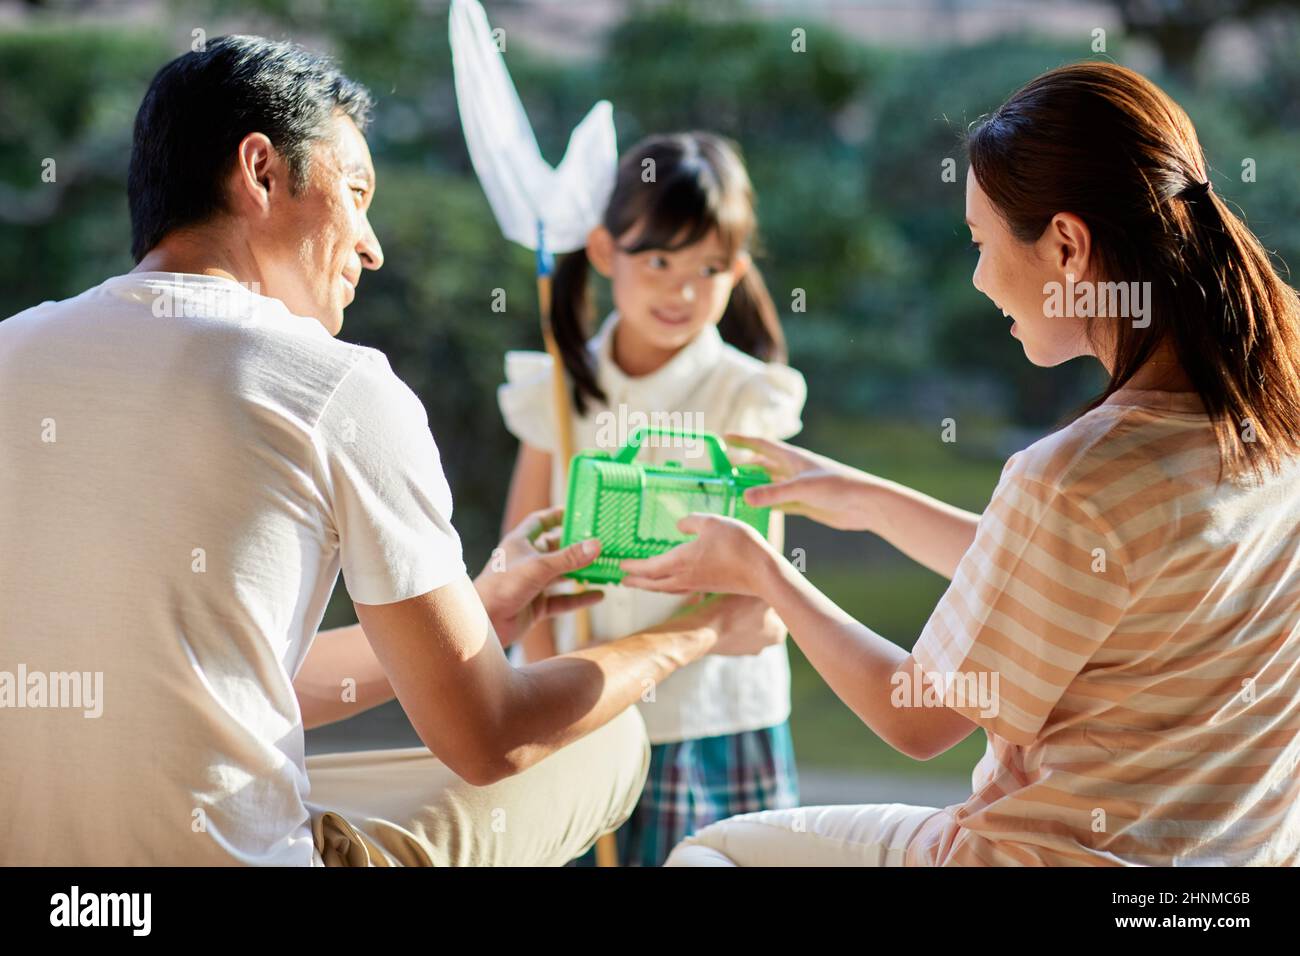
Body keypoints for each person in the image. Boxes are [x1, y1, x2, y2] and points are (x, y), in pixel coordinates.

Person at [0, 35, 785, 867]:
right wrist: (697, 632)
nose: (372, 246)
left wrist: (478, 611)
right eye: (356, 192)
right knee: (605, 737)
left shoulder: (13, 350)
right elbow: (491, 737)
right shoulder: (336, 387)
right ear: (260, 171)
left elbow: (237, 682)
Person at [619, 62, 1300, 866]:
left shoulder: (1073, 473)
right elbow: (1064, 578)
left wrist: (762, 572)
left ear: (1067, 245)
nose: (978, 278)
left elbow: (916, 717)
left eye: (980, 242)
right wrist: (867, 500)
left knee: (710, 852)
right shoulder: (1270, 427)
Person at [497, 132, 806, 865]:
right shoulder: (559, 389)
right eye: (659, 260)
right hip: (578, 713)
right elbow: (519, 563)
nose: (682, 290)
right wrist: (546, 697)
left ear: (737, 270)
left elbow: (759, 597)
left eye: (708, 267)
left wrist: (639, 662)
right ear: (605, 252)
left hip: (707, 721)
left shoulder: (746, 396)